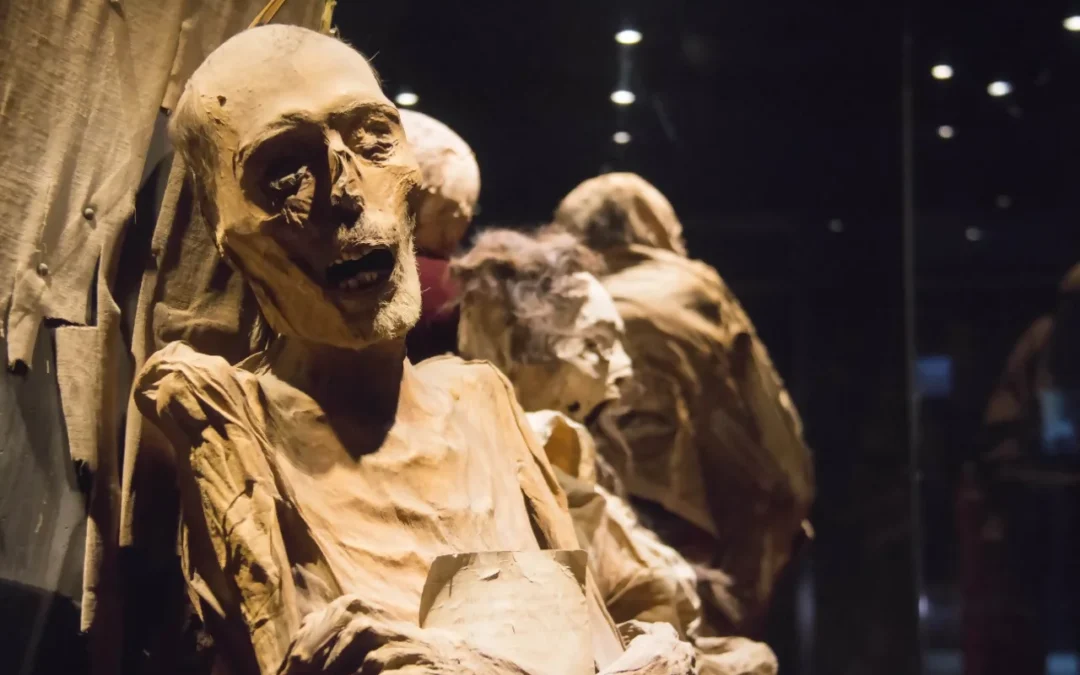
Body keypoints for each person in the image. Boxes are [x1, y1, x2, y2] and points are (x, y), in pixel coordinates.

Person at [136, 26, 693, 675]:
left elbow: (590, 637)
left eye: (373, 140)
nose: (345, 190)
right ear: (227, 229)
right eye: (284, 170)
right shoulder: (228, 420)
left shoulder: (482, 403)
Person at [553, 172, 815, 635]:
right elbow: (770, 426)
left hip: (594, 524)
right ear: (658, 228)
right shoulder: (695, 291)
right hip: (699, 532)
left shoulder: (560, 305)